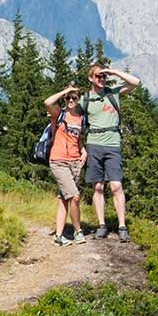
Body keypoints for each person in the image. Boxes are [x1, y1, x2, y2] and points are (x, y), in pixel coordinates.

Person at [81, 64, 139, 242]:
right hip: (94, 145)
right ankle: (102, 225)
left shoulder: (113, 93)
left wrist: (113, 71)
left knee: (116, 186)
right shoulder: (86, 99)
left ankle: (122, 226)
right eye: (98, 76)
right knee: (97, 187)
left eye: (104, 76)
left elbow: (136, 82)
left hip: (113, 145)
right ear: (90, 78)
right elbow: (75, 122)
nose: (102, 79)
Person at [43, 83, 90, 246]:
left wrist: (83, 150)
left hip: (75, 162)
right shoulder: (58, 113)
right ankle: (78, 231)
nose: (70, 100)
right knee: (75, 196)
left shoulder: (81, 118)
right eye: (68, 97)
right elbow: (47, 102)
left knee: (64, 199)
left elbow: (77, 139)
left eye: (74, 97)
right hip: (58, 160)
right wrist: (66, 90)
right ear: (64, 98)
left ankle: (59, 236)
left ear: (78, 100)